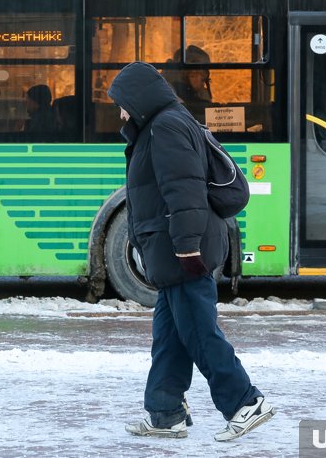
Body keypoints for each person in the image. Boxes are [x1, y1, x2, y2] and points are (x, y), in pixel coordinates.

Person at [107, 61, 275, 442]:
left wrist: (186, 248)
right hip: (171, 253)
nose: (120, 112)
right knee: (169, 336)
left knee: (199, 332)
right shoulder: (161, 125)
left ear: (139, 98)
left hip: (181, 252)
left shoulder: (165, 127)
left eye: (122, 103)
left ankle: (245, 402)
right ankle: (165, 413)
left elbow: (184, 193)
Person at [166, 45, 213, 123]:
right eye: (194, 74)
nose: (202, 80)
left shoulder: (196, 93)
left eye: (204, 74)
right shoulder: (173, 92)